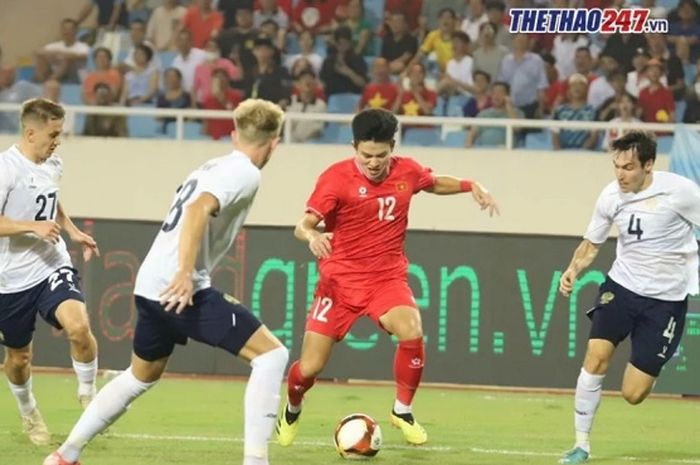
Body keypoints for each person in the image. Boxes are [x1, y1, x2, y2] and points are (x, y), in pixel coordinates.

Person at [44, 99, 289, 465]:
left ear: (235, 134)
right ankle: (256, 461)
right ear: (274, 143)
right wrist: (185, 274)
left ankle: (65, 455)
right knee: (272, 356)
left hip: (149, 284)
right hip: (178, 287)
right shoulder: (245, 172)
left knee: (140, 375)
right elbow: (195, 211)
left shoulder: (211, 166)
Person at [275, 108, 499, 447]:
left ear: (392, 146)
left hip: (386, 279)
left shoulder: (406, 170)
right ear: (354, 147)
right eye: (366, 155)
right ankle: (292, 409)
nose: (374, 162)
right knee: (309, 368)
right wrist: (313, 237)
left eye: (381, 155)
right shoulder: (335, 178)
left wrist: (472, 186)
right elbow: (302, 224)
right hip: (339, 284)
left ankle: (402, 410)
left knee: (412, 330)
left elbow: (434, 182)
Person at [558, 131, 700, 465]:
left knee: (633, 394)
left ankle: (653, 355)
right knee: (595, 356)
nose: (620, 174)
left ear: (648, 165)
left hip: (666, 300)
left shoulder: (681, 193)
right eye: (617, 166)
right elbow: (592, 243)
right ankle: (581, 445)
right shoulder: (610, 196)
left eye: (629, 167)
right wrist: (572, 269)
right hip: (621, 288)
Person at [0, 98, 100, 446]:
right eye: (53, 133)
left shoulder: (53, 163)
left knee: (78, 326)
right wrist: (32, 227)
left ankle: (88, 395)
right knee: (18, 357)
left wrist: (71, 231)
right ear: (31, 132)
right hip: (11, 279)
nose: (58, 140)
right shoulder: (5, 169)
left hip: (51, 264)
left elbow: (50, 200)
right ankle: (29, 411)